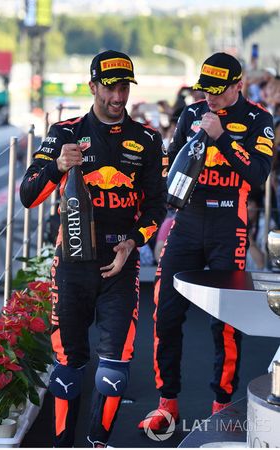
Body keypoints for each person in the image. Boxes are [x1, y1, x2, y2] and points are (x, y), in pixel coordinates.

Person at [20, 49, 167, 447]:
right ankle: (63, 444)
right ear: (92, 86)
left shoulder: (148, 140)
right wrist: (58, 168)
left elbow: (157, 206)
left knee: (114, 372)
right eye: (110, 87)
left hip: (121, 264)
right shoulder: (64, 132)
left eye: (123, 87)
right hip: (71, 265)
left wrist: (134, 242)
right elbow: (27, 196)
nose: (118, 97)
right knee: (67, 370)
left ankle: (98, 442)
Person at [138, 52, 275, 432]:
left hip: (228, 224)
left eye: (218, 91)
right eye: (206, 91)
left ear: (238, 86)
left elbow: (260, 174)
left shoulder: (259, 119)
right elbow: (170, 163)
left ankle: (221, 406)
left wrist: (222, 138)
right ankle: (167, 402)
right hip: (187, 220)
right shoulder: (189, 113)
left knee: (225, 323)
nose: (210, 99)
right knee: (164, 312)